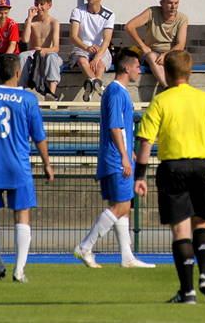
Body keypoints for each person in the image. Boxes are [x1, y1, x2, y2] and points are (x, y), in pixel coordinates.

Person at [134, 50, 205, 304]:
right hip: (202, 166)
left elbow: (145, 141)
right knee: (201, 223)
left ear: (166, 73)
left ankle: (187, 291)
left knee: (180, 230)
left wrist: (140, 176)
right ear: (190, 72)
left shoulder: (161, 101)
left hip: (172, 167)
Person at [0, 54, 54, 283]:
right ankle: (19, 270)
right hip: (19, 166)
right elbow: (39, 136)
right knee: (22, 213)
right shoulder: (28, 99)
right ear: (17, 73)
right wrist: (47, 163)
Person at [74, 49, 155, 269]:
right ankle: (85, 246)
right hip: (115, 159)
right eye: (138, 66)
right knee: (122, 205)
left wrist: (130, 153)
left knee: (122, 206)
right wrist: (124, 157)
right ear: (127, 68)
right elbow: (115, 127)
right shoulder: (117, 92)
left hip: (116, 157)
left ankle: (126, 257)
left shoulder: (115, 92)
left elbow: (120, 129)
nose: (140, 69)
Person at [125, 0, 189, 88]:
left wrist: (166, 55)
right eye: (170, 3)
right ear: (161, 3)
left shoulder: (182, 18)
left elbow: (180, 44)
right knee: (151, 56)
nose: (173, 7)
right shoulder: (152, 12)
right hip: (152, 52)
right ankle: (167, 88)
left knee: (185, 59)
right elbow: (129, 26)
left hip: (171, 53)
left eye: (176, 3)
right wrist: (143, 46)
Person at [70, 0, 115, 101]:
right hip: (82, 46)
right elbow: (73, 37)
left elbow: (106, 41)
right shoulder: (78, 11)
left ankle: (91, 86)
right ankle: (98, 85)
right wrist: (86, 47)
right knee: (82, 60)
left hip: (100, 48)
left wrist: (96, 57)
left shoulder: (109, 14)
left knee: (100, 65)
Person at [19, 0, 63, 101]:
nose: (39, 7)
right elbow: (24, 39)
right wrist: (29, 19)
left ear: (49, 5)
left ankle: (51, 94)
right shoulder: (31, 21)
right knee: (22, 56)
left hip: (48, 53)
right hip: (33, 53)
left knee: (52, 57)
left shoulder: (54, 22)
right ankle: (21, 91)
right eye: (36, 4)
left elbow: (56, 48)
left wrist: (44, 50)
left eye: (42, 4)